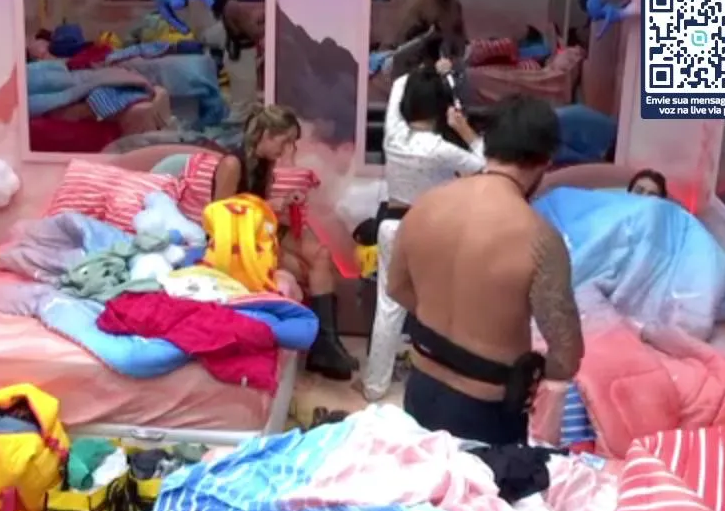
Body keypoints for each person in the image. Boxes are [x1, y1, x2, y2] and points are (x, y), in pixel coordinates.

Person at [388, 94, 583, 445]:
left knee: (426, 476)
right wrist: (533, 375)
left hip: (422, 384)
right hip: (485, 409)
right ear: (545, 162)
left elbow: (397, 288)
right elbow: (567, 352)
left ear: (488, 145)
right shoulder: (540, 238)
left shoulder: (426, 205)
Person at [360, 65, 484, 402]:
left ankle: (374, 387)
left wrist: (426, 70)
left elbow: (399, 85)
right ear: (441, 107)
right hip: (432, 231)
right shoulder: (442, 149)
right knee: (438, 306)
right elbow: (486, 168)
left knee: (388, 307)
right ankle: (435, 381)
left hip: (393, 226)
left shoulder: (394, 134)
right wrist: (464, 129)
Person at [211, 104, 357, 379]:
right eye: (285, 140)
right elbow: (219, 215)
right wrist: (269, 206)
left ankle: (327, 344)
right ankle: (322, 347)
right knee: (304, 270)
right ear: (266, 134)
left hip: (258, 227)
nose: (288, 148)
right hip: (238, 238)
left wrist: (283, 203)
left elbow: (259, 205)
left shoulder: (264, 164)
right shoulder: (232, 164)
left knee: (321, 255)